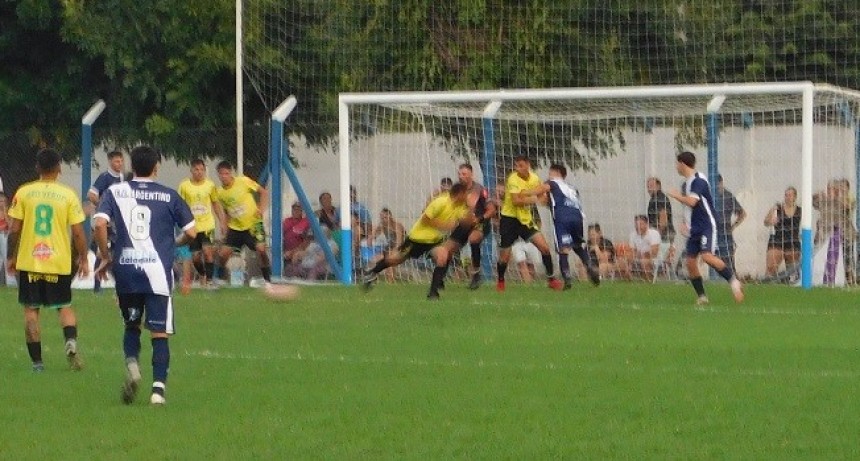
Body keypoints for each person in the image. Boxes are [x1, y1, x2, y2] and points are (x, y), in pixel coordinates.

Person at [93, 145, 196, 406]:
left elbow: (99, 223)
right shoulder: (169, 195)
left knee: (131, 325)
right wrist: (174, 241)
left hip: (126, 271)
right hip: (158, 272)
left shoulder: (115, 191)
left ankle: (132, 366)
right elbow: (192, 232)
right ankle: (158, 392)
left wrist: (106, 254)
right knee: (159, 333)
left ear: (131, 166)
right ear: (156, 167)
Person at [6, 148, 89, 372]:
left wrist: (10, 257)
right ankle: (70, 340)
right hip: (58, 262)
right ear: (59, 168)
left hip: (29, 262)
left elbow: (14, 229)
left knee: (31, 311)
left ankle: (37, 364)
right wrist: (83, 258)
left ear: (37, 168)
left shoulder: (24, 192)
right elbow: (79, 232)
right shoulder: (68, 194)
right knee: (64, 306)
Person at [362, 183, 473, 299]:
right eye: (466, 193)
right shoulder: (441, 202)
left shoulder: (461, 206)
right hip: (417, 239)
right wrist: (444, 225)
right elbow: (425, 219)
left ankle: (433, 292)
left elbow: (467, 221)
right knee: (395, 259)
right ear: (459, 193)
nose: (467, 196)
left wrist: (470, 208)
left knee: (443, 256)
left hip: (434, 241)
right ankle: (372, 272)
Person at [667, 151, 744, 305]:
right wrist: (685, 223)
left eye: (677, 163)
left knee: (707, 256)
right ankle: (702, 296)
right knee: (690, 262)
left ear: (682, 164)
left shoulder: (698, 180)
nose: (676, 167)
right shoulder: (687, 183)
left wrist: (676, 195)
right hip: (694, 227)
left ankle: (734, 281)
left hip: (707, 225)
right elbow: (690, 207)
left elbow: (692, 202)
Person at [517, 164, 599, 289]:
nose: (548, 175)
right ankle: (589, 264)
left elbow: (541, 190)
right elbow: (554, 201)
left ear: (555, 172)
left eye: (550, 172)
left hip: (563, 219)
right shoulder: (572, 188)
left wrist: (524, 192)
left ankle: (567, 279)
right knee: (577, 246)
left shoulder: (553, 183)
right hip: (577, 218)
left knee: (563, 249)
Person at [496, 156, 563, 291]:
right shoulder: (513, 179)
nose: (517, 168)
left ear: (528, 165)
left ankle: (551, 280)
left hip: (525, 219)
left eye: (521, 165)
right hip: (509, 219)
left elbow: (541, 195)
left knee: (544, 247)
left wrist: (544, 199)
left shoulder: (534, 178)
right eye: (516, 166)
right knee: (505, 255)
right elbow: (515, 201)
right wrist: (533, 199)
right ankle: (501, 281)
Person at [213, 161, 272, 282]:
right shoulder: (219, 192)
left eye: (227, 173)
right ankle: (218, 279)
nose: (224, 176)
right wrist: (224, 224)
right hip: (236, 228)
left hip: (253, 224)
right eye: (221, 174)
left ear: (231, 173)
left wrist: (261, 209)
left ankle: (268, 279)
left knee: (261, 250)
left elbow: (264, 192)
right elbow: (225, 210)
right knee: (223, 254)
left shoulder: (243, 181)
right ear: (218, 175)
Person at [177, 158, 221, 289]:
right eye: (196, 169)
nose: (199, 172)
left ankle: (210, 281)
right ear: (191, 170)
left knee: (208, 252)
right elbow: (180, 205)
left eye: (202, 169)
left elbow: (215, 203)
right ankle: (203, 274)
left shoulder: (210, 185)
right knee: (196, 257)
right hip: (192, 227)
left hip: (207, 225)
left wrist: (222, 222)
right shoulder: (184, 186)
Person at [87, 150, 125, 293]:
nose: (119, 163)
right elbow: (91, 194)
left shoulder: (122, 178)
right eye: (116, 161)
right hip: (106, 221)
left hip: (117, 220)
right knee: (102, 251)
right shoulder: (105, 177)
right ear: (110, 162)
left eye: (121, 161)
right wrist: (104, 208)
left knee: (116, 251)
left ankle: (116, 283)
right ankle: (97, 285)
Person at [455, 164, 497, 290]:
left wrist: (479, 218)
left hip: (480, 223)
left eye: (464, 174)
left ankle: (476, 275)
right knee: (449, 247)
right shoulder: (456, 190)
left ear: (471, 175)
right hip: (463, 224)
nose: (461, 176)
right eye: (460, 174)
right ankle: (439, 279)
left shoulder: (479, 189)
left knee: (474, 239)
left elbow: (492, 210)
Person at [813, 178, 857, 284]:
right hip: (824, 235)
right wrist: (817, 195)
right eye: (829, 188)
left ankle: (850, 282)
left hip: (844, 235)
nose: (830, 190)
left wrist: (840, 195)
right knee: (821, 259)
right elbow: (814, 202)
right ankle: (822, 281)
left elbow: (848, 206)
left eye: (833, 188)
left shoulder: (845, 200)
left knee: (847, 262)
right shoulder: (824, 200)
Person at [764, 186, 801, 279]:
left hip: (792, 241)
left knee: (792, 270)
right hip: (777, 240)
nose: (787, 197)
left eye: (790, 195)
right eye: (786, 195)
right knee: (771, 267)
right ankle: (768, 285)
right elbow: (766, 222)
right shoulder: (777, 209)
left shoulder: (800, 211)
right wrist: (770, 221)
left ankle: (790, 284)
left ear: (795, 197)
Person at [714, 174, 747, 274]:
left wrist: (733, 226)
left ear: (721, 183)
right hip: (712, 233)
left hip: (725, 234)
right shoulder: (709, 195)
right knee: (712, 259)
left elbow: (742, 213)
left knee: (728, 261)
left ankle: (732, 280)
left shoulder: (728, 196)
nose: (716, 186)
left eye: (718, 184)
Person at [617, 215, 662, 281]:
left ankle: (648, 283)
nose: (638, 227)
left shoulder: (654, 233)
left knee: (644, 261)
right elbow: (632, 252)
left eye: (641, 224)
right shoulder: (633, 235)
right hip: (638, 258)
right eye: (636, 224)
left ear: (647, 224)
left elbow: (654, 253)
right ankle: (628, 283)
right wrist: (628, 261)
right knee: (621, 261)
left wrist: (641, 255)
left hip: (655, 260)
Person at [646, 177, 676, 243]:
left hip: (663, 234)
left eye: (651, 186)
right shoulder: (655, 198)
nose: (649, 189)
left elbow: (663, 216)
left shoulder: (660, 198)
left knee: (661, 252)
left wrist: (658, 235)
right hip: (662, 233)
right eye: (648, 186)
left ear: (658, 186)